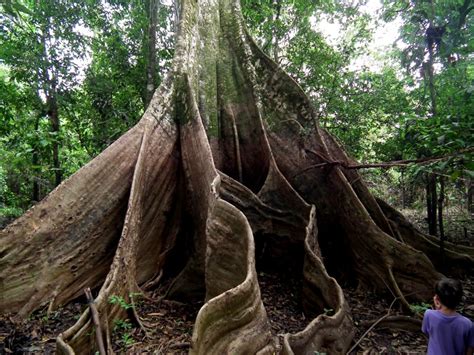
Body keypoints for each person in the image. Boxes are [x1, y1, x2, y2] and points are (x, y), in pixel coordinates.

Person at [422, 278, 474, 355]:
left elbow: (428, 333)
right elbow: (470, 350)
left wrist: (438, 307)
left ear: (437, 299)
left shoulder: (429, 315)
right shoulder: (467, 324)